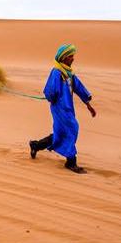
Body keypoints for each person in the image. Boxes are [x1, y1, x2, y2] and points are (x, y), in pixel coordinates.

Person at [29, 44, 97, 174]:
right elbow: (50, 91)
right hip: (60, 108)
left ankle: (36, 145)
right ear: (64, 57)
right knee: (72, 128)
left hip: (68, 107)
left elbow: (79, 87)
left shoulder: (69, 73)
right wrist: (53, 98)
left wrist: (88, 105)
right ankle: (71, 162)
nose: (73, 58)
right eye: (70, 56)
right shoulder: (57, 72)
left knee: (61, 133)